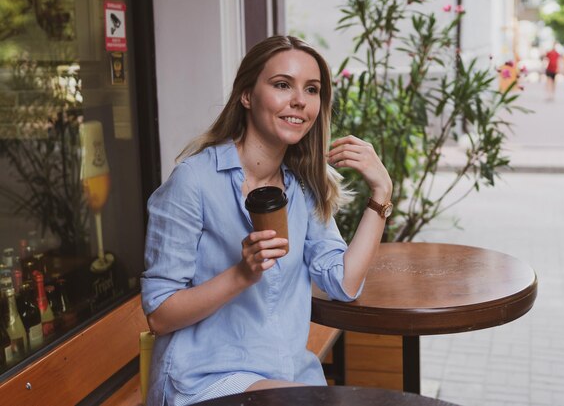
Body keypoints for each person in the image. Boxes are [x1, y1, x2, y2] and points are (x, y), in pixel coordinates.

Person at [140, 35, 393, 406]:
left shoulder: (303, 188)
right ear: (247, 95)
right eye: (282, 85)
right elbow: (160, 316)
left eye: (311, 89)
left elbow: (344, 282)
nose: (299, 101)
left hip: (285, 374)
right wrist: (243, 273)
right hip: (206, 378)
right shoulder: (194, 181)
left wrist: (381, 194)